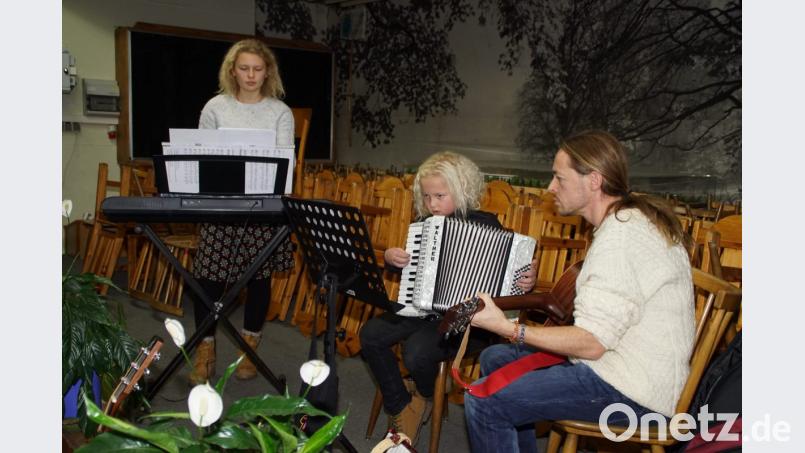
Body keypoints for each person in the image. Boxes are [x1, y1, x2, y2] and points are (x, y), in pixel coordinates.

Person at [463, 130, 695, 452]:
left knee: (484, 401)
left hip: (633, 391)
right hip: (626, 368)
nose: (550, 187)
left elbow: (591, 343)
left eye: (559, 178)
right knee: (494, 358)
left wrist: (507, 327)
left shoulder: (621, 238)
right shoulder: (626, 221)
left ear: (594, 181)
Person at [359, 151, 537, 444]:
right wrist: (393, 259)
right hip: (423, 310)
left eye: (440, 196)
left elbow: (515, 270)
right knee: (371, 333)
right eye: (427, 197)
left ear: (463, 190)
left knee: (417, 351)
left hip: (468, 323)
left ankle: (421, 395)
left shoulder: (487, 224)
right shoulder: (425, 225)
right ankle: (404, 404)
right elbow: (410, 269)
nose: (432, 204)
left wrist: (527, 276)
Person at [189, 39, 295, 384]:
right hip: (221, 204)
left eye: (258, 68)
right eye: (244, 68)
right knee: (207, 279)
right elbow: (202, 156)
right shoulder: (214, 107)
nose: (251, 75)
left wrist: (280, 199)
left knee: (259, 278)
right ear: (232, 70)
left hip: (264, 204)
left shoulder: (280, 112)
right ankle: (205, 349)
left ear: (268, 72)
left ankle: (250, 346)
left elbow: (286, 161)